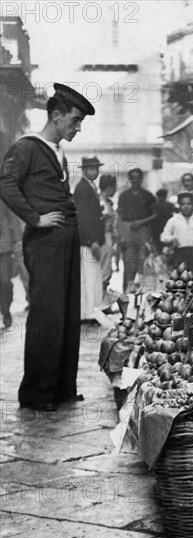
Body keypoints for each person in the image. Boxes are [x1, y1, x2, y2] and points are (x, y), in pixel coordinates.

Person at [0, 83, 95, 411]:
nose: (78, 127)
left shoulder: (58, 151)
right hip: (45, 244)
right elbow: (6, 183)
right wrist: (34, 218)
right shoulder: (27, 147)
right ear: (56, 116)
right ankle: (37, 393)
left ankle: (61, 388)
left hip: (66, 240)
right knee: (47, 315)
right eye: (75, 120)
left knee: (68, 312)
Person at [73, 157, 105, 321]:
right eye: (91, 169)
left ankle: (93, 310)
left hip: (93, 240)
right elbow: (84, 217)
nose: (95, 171)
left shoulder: (90, 187)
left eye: (96, 168)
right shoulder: (82, 188)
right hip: (88, 241)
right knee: (88, 277)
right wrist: (92, 240)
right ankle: (88, 313)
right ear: (84, 170)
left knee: (93, 276)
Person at [117, 168, 157, 292]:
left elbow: (155, 214)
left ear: (141, 179)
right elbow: (119, 216)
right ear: (129, 179)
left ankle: (143, 293)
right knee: (129, 262)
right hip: (127, 229)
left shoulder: (148, 195)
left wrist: (141, 222)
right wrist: (121, 235)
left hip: (143, 229)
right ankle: (127, 294)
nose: (135, 180)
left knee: (144, 261)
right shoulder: (124, 195)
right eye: (132, 177)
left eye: (138, 177)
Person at [160, 191, 193, 274]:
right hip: (179, 253)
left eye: (189, 204)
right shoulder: (173, 220)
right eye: (183, 204)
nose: (186, 207)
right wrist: (172, 239)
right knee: (179, 277)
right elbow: (163, 236)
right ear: (179, 205)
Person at [0, 201, 23, 328]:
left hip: (4, 246)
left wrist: (18, 240)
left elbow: (12, 217)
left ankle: (5, 311)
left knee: (4, 281)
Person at [99, 174, 118, 293]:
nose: (115, 190)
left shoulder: (108, 202)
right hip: (102, 238)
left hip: (108, 238)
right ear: (109, 187)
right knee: (104, 271)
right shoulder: (101, 203)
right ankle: (99, 302)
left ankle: (102, 300)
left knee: (107, 270)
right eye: (114, 187)